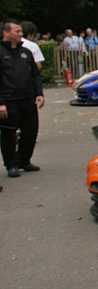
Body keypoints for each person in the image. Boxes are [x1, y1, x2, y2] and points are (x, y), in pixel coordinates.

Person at [0, 20, 45, 178]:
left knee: (30, 131)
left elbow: (35, 74)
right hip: (9, 100)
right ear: (6, 33)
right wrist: (1, 103)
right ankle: (11, 164)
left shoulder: (26, 52)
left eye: (21, 32)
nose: (21, 34)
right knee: (9, 134)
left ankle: (24, 160)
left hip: (27, 99)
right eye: (17, 31)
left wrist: (39, 93)